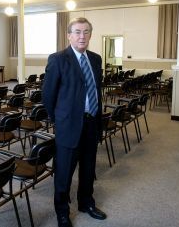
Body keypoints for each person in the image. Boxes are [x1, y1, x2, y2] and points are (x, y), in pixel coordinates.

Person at [42, 17, 107, 227]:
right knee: (64, 173)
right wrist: (59, 121)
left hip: (91, 123)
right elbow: (48, 96)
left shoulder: (96, 59)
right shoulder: (58, 59)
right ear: (69, 35)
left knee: (88, 168)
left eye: (86, 32)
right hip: (68, 126)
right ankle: (62, 212)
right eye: (78, 32)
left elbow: (96, 91)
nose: (82, 36)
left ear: (90, 35)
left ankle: (86, 203)